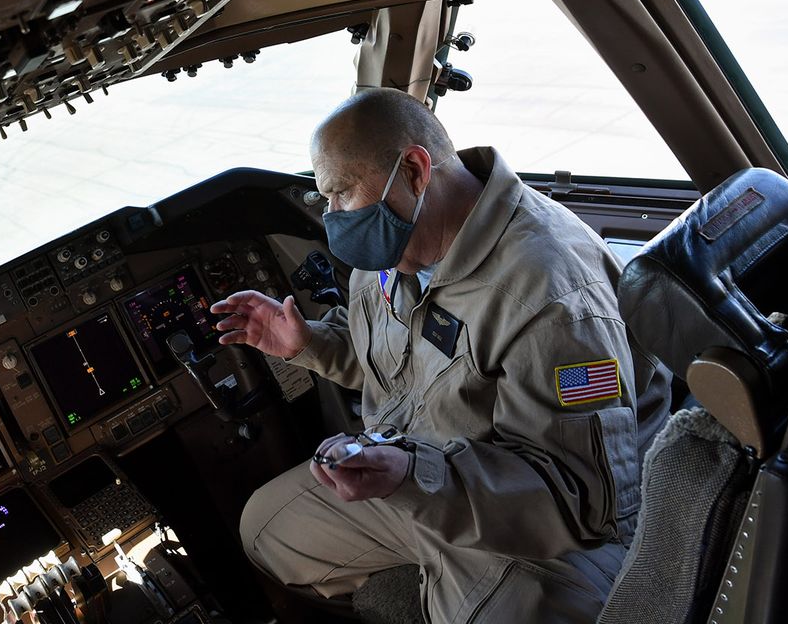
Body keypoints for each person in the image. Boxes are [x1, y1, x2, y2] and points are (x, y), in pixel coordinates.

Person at [210, 88, 672, 623]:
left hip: (537, 521)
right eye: (324, 201)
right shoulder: (393, 248)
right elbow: (398, 364)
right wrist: (310, 344)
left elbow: (582, 499)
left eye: (341, 193)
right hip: (413, 469)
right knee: (267, 532)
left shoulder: (553, 297)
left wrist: (414, 476)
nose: (333, 218)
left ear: (413, 170)